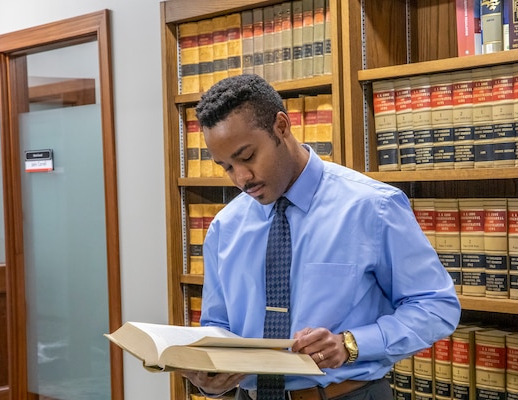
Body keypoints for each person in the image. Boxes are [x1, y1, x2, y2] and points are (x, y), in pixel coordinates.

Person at [182, 74, 461, 400]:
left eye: (247, 157)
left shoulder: (372, 207)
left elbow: (436, 306)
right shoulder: (224, 227)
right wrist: (212, 376)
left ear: (281, 127)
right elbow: (218, 323)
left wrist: (350, 344)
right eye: (226, 167)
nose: (242, 178)